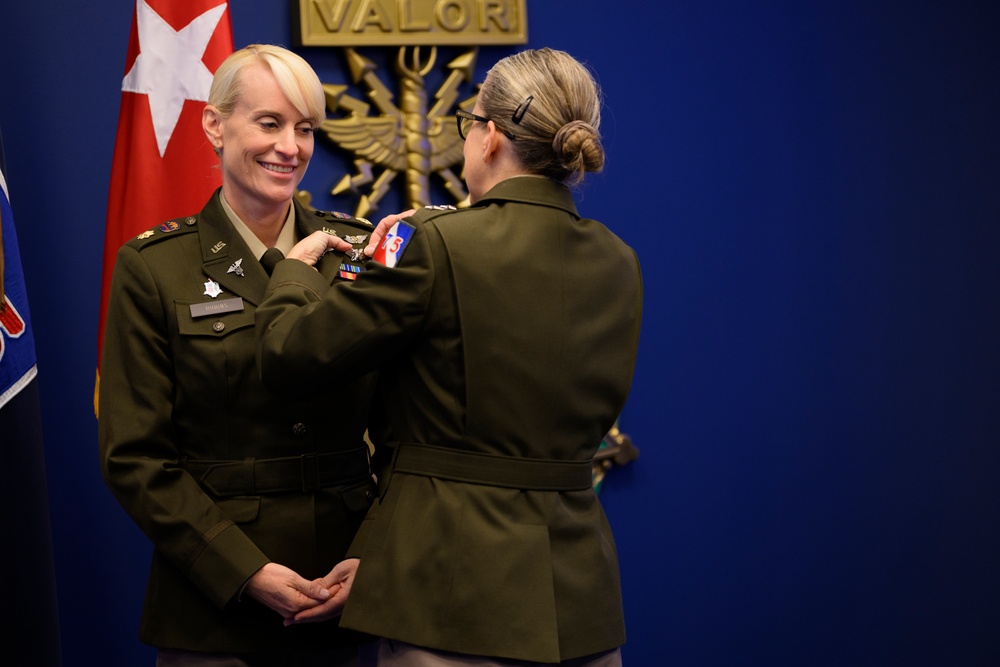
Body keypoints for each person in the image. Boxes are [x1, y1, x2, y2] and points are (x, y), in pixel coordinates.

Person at [255, 47, 642, 666]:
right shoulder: (619, 259)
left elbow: (290, 355)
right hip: (579, 600)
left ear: (488, 138)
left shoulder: (433, 244)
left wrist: (293, 276)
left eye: (468, 127)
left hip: (450, 594)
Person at [98, 44, 382, 666]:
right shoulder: (154, 268)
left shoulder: (358, 255)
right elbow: (135, 456)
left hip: (347, 595)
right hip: (213, 608)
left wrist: (380, 556)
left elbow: (407, 434)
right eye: (270, 123)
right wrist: (243, 570)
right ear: (214, 124)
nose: (291, 147)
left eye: (305, 129)